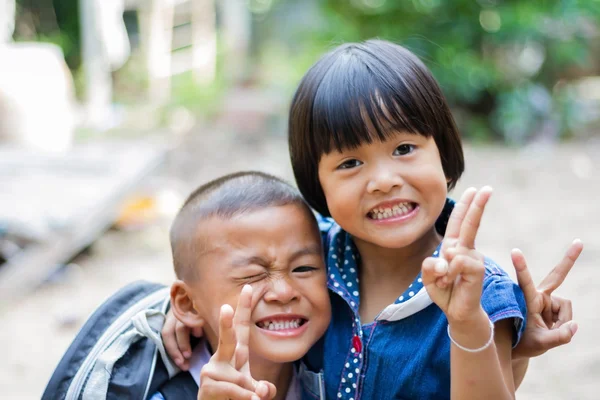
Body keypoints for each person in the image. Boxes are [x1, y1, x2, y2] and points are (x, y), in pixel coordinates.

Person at [163, 40, 583, 399]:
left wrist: (467, 323)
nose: (383, 181)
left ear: (445, 156)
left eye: (404, 149)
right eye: (350, 162)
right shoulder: (309, 257)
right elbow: (216, 264)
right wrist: (178, 316)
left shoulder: (481, 294)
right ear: (318, 187)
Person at [151, 171, 331, 399]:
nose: (284, 292)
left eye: (303, 268)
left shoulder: (339, 366)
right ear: (188, 304)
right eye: (252, 276)